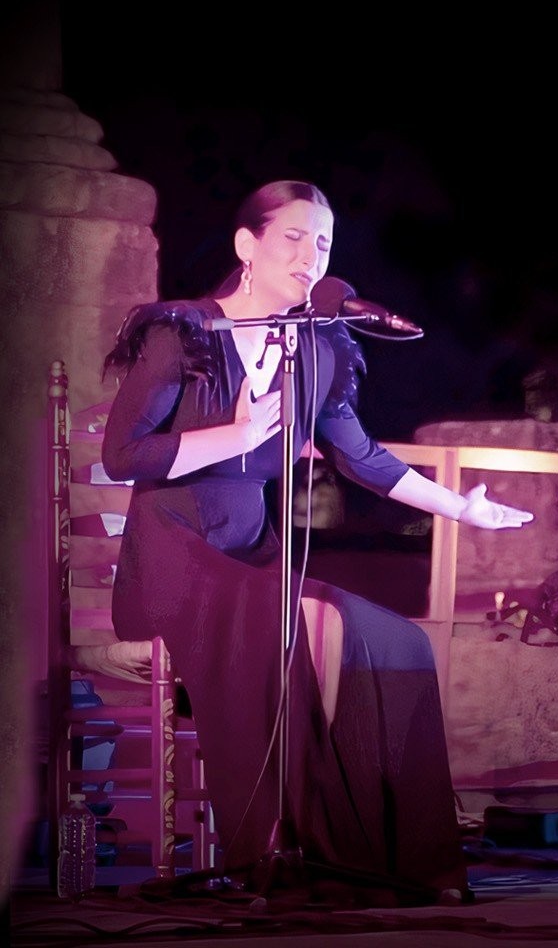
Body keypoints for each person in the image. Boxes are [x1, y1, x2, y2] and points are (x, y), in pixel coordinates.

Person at [101, 180, 533, 904]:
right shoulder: (183, 334)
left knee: (395, 641)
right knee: (304, 627)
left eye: (324, 243)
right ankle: (283, 848)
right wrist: (232, 437)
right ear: (248, 247)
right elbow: (122, 456)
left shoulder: (320, 347)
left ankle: (384, 855)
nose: (311, 256)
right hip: (173, 558)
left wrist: (461, 507)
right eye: (294, 238)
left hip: (253, 556)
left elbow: (360, 456)